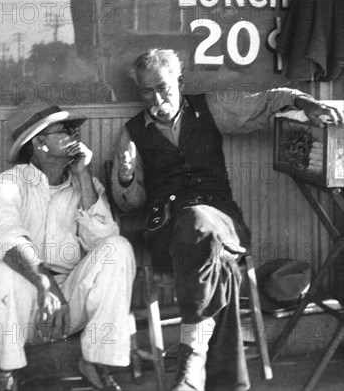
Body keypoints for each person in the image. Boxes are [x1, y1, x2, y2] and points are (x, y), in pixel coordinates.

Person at [111, 48, 343, 391]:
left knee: (200, 225)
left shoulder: (210, 108)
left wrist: (308, 104)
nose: (157, 98)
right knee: (215, 259)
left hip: (223, 223)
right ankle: (209, 366)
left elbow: (269, 100)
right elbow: (128, 205)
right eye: (147, 91)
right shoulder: (132, 134)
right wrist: (128, 177)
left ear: (180, 81)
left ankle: (193, 364)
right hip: (169, 237)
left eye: (163, 87)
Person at [0, 100, 136, 391]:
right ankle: (7, 376)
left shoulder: (85, 184)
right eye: (64, 130)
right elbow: (2, 237)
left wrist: (82, 175)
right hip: (25, 305)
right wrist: (45, 286)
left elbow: (104, 240)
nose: (74, 135)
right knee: (1, 273)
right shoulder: (10, 183)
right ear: (39, 142)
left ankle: (96, 362)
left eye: (73, 129)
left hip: (69, 304)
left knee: (119, 247)